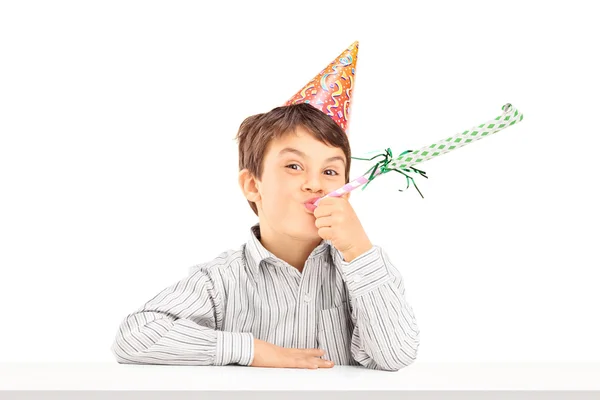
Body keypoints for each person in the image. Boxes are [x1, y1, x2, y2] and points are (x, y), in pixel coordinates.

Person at [110, 42, 420, 371]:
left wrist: (358, 250)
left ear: (346, 191)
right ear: (252, 185)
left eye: (330, 172)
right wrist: (251, 350)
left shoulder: (367, 266)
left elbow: (395, 356)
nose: (314, 184)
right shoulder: (221, 280)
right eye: (294, 166)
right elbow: (134, 336)